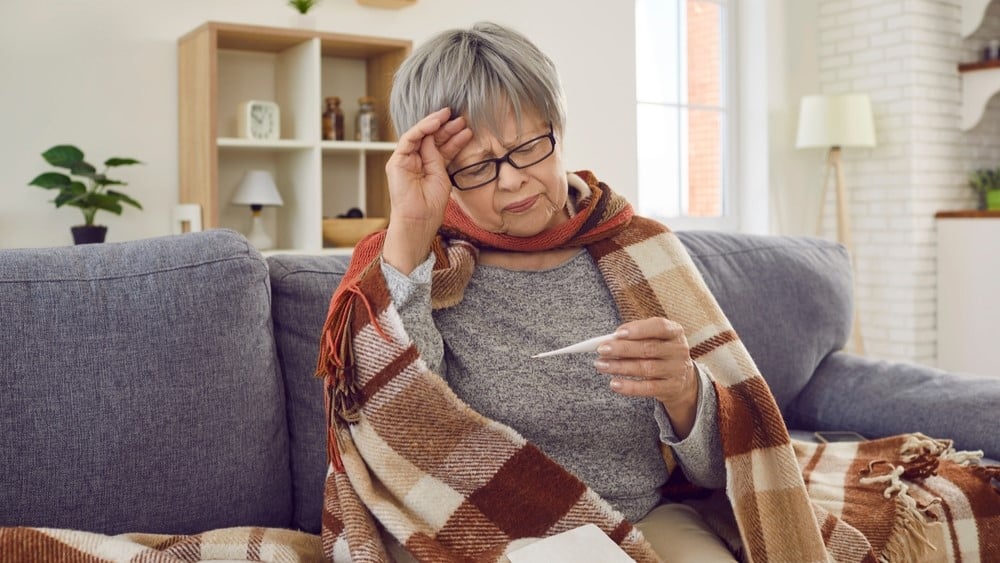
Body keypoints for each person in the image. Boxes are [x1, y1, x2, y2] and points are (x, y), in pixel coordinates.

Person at [317, 21, 831, 563]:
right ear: (439, 170)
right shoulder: (417, 265)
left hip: (639, 516)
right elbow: (400, 432)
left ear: (559, 129)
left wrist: (684, 390)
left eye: (529, 148)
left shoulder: (643, 251)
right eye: (475, 167)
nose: (511, 180)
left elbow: (720, 470)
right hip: (479, 531)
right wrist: (411, 231)